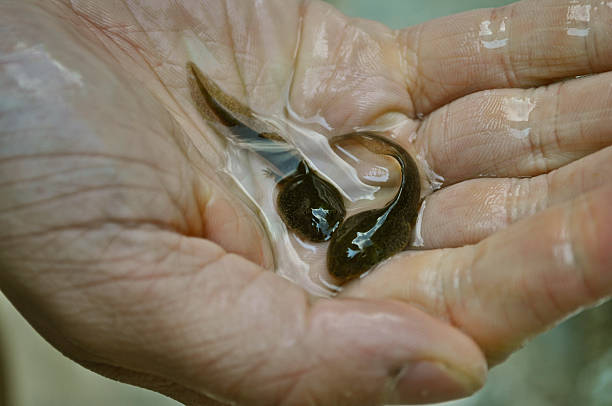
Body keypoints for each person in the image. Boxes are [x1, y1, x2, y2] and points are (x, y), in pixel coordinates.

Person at [0, 0, 610, 404]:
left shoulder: (351, 212)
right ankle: (213, 98)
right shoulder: (325, 203)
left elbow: (336, 208)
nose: (333, 247)